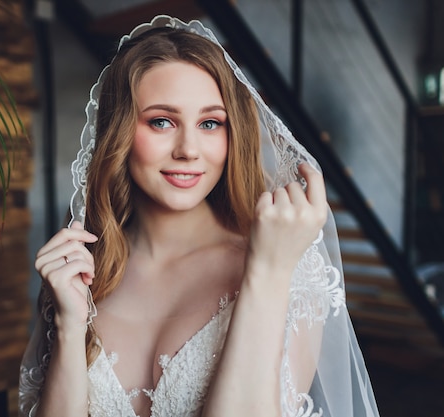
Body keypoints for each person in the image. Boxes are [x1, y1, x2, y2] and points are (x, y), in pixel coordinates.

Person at [19, 15, 379, 417]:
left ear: (233, 135)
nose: (189, 149)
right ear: (118, 130)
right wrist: (70, 326)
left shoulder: (287, 274)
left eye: (210, 123)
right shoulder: (81, 273)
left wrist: (266, 273)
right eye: (161, 121)